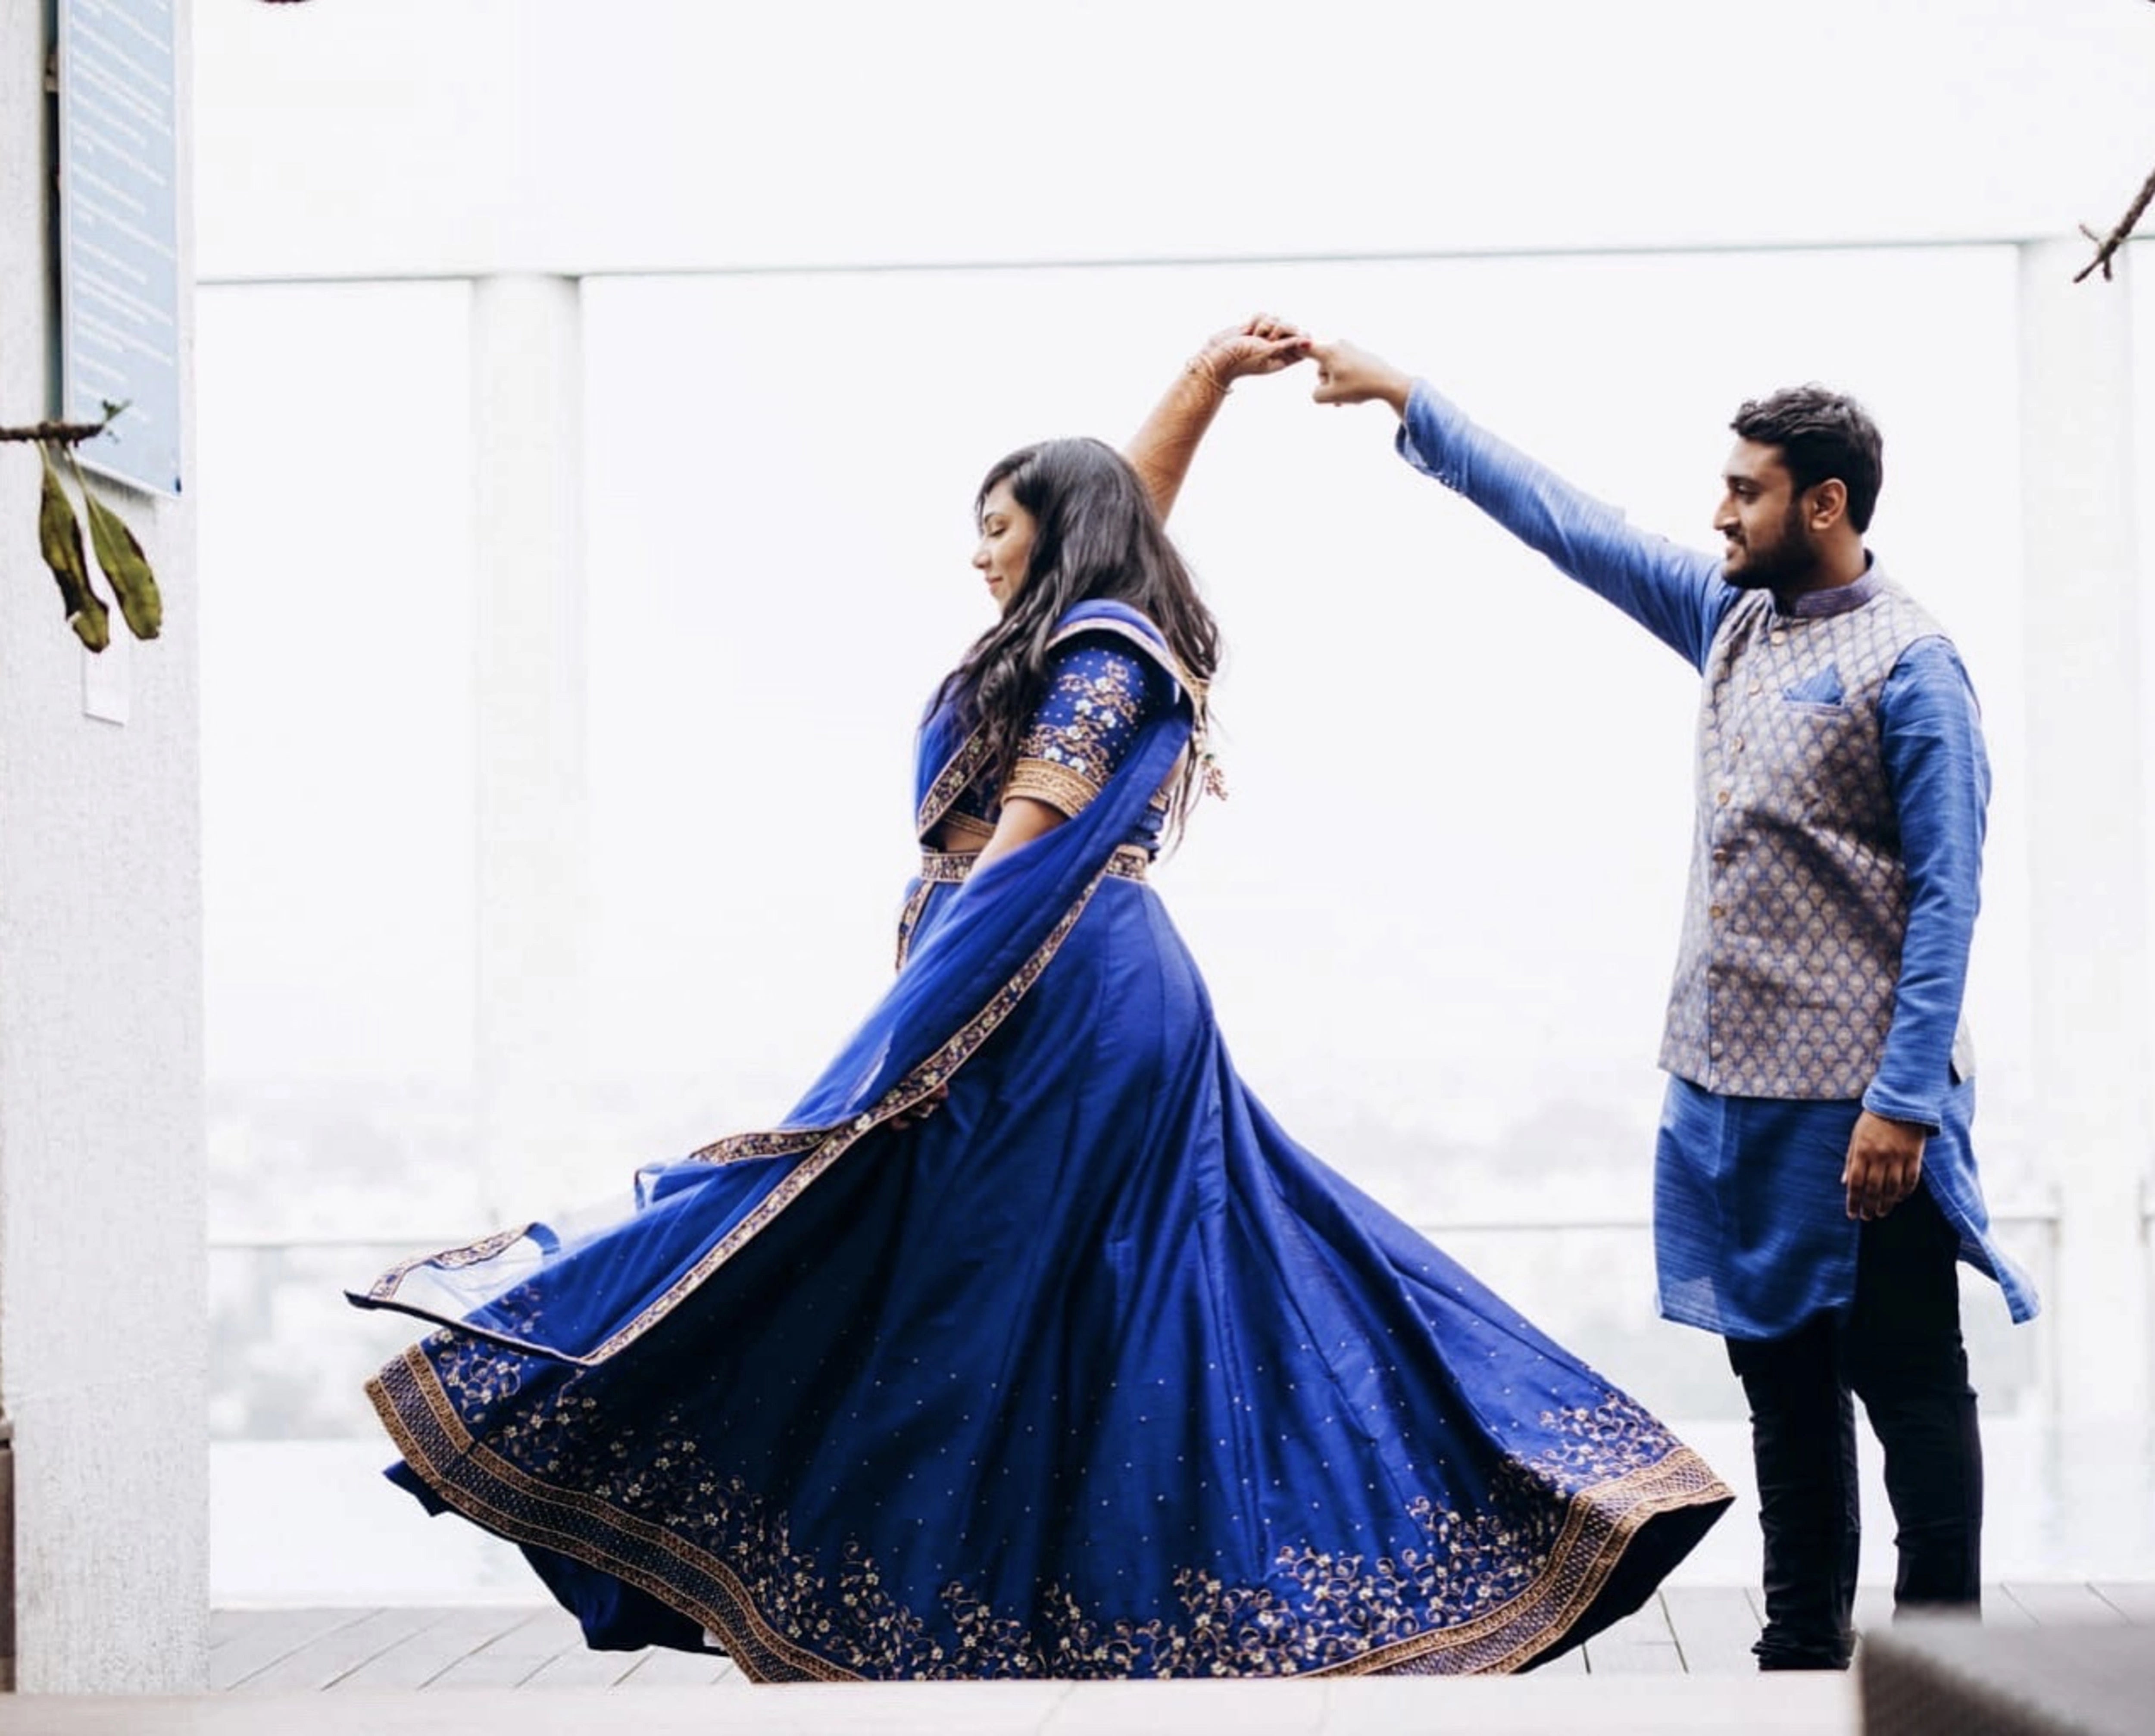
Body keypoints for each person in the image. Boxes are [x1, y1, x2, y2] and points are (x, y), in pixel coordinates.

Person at [349, 323, 1730, 1683]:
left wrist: (919, 1035)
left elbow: (1025, 845)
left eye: (995, 524)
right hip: (1044, 982)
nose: (978, 550)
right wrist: (1199, 382)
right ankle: (1007, 1615)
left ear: (1050, 534)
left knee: (983, 1283)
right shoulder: (1077, 628)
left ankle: (1000, 1605)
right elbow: (1115, 509)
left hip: (1057, 998)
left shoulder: (1103, 656)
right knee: (1046, 1296)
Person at [1300, 338, 2039, 1670]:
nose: (1718, 513)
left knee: (1914, 1396)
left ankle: (1948, 1681)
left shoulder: (1915, 667)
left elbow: (1950, 905)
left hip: (1865, 1119)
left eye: (1744, 491)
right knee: (1786, 1403)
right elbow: (1571, 525)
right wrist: (1413, 400)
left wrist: (1903, 1106)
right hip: (1727, 1113)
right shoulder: (1732, 618)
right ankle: (1799, 1666)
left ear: (1824, 502)